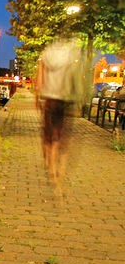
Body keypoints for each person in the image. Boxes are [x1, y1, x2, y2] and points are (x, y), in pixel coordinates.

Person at [36, 37, 84, 186]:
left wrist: (37, 96)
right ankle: (57, 169)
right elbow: (75, 78)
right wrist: (78, 99)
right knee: (59, 134)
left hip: (50, 99)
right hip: (64, 99)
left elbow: (40, 78)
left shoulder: (46, 54)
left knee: (48, 134)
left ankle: (50, 166)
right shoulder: (71, 55)